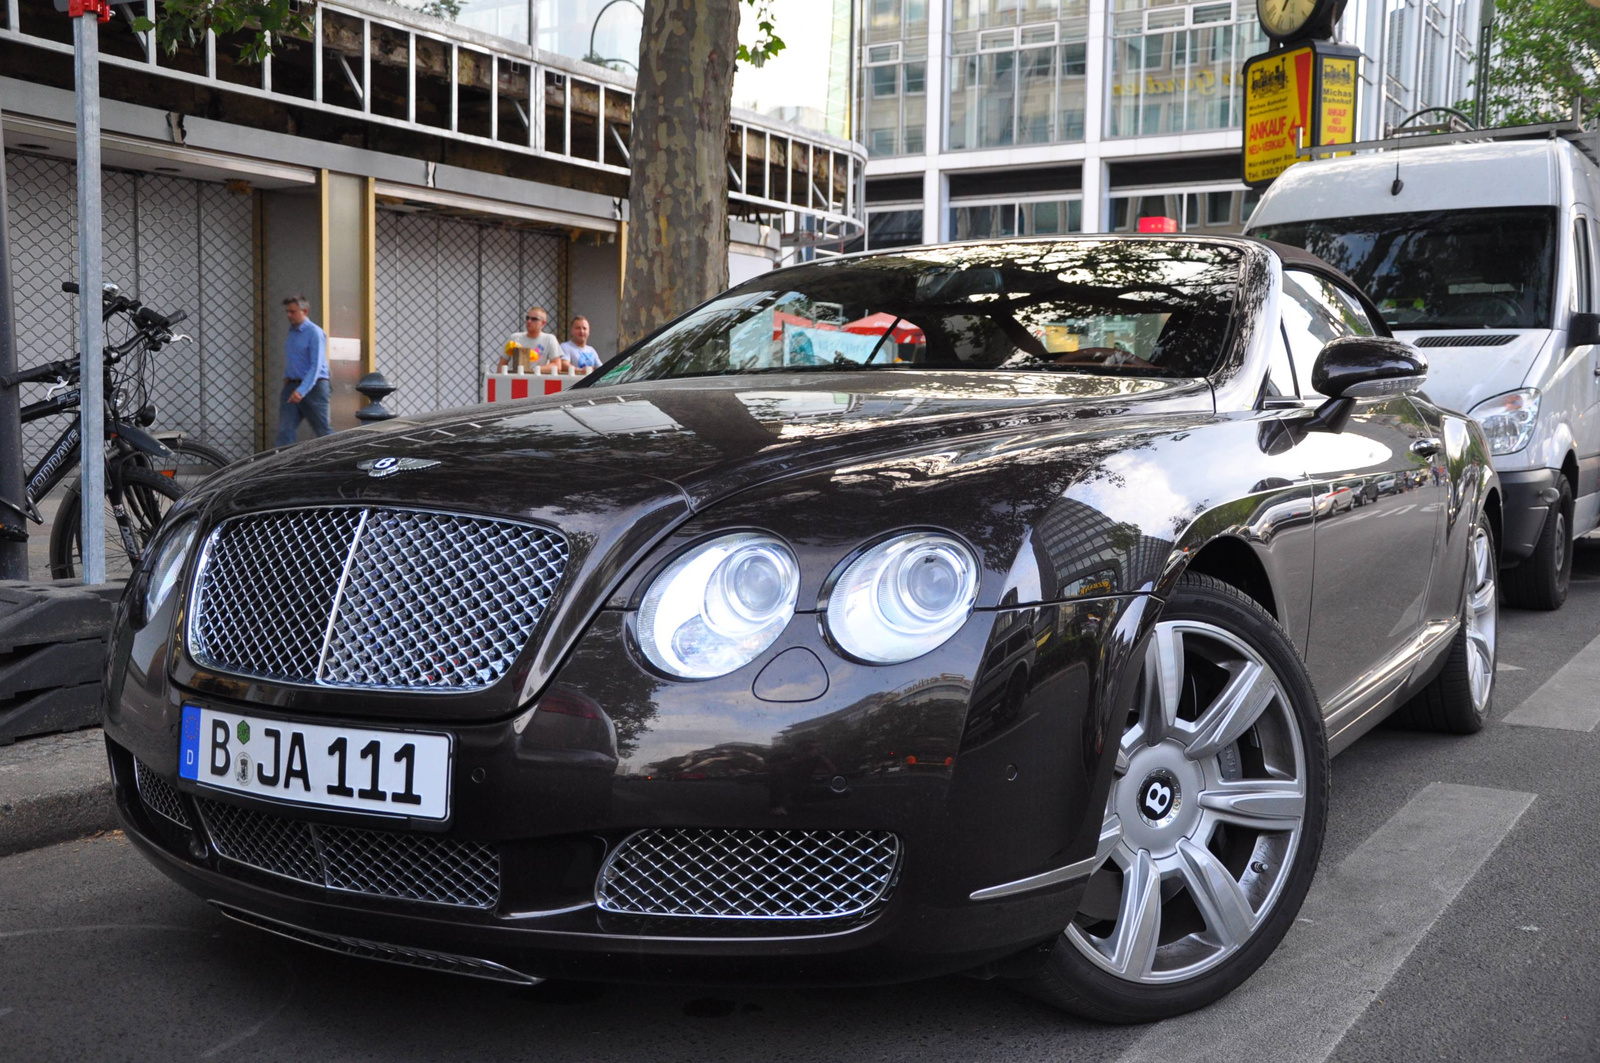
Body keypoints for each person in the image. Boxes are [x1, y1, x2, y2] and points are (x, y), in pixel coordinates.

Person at [276, 295, 332, 447]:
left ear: (304, 311)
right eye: (287, 311)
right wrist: (288, 377)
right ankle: (281, 464)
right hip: (292, 386)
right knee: (285, 430)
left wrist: (301, 390)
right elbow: (294, 358)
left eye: (293, 312)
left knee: (322, 430)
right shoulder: (292, 332)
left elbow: (316, 365)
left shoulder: (314, 332)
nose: (289, 315)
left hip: (313, 387)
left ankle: (336, 460)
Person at [500, 306, 561, 373]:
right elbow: (502, 363)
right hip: (516, 379)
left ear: (543, 323)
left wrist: (533, 370)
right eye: (527, 318)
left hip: (538, 379)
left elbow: (557, 365)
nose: (529, 321)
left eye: (534, 319)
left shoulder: (549, 339)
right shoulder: (514, 337)